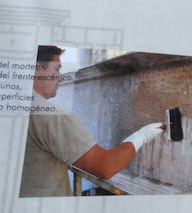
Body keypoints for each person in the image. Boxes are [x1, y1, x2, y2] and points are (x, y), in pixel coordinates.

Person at [19, 46, 164, 197]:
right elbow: (105, 166)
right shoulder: (51, 116)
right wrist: (143, 135)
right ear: (38, 69)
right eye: (56, 70)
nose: (60, 77)